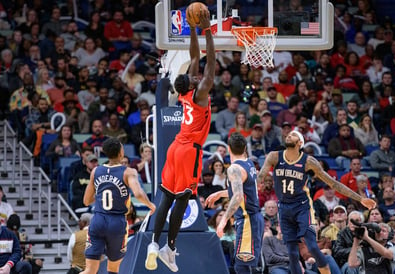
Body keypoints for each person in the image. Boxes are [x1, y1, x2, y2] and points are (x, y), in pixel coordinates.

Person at [145, 9, 215, 273]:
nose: (199, 75)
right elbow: (211, 62)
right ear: (193, 82)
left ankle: (154, 243)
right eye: (196, 76)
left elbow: (195, 57)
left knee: (165, 197)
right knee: (183, 200)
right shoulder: (200, 94)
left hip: (175, 148)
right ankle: (170, 248)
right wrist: (207, 28)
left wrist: (192, 29)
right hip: (188, 152)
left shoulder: (187, 93)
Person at [255, 130, 375, 274]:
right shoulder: (274, 156)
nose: (289, 136)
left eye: (293, 135)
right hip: (284, 208)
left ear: (300, 143)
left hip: (302, 208)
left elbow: (333, 184)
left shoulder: (308, 161)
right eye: (288, 135)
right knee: (292, 253)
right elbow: (259, 178)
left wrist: (361, 198)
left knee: (312, 246)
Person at [80, 138, 155, 274]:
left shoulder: (96, 171)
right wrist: (151, 205)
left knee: (90, 270)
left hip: (98, 220)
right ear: (121, 152)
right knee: (113, 269)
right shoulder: (128, 172)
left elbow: (86, 201)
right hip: (117, 222)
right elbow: (138, 194)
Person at [205, 132, 264, 274]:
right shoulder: (249, 163)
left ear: (229, 149)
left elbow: (237, 196)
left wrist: (224, 220)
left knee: (241, 266)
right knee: (243, 265)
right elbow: (243, 191)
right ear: (245, 148)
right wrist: (221, 193)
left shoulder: (234, 169)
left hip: (248, 219)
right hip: (253, 217)